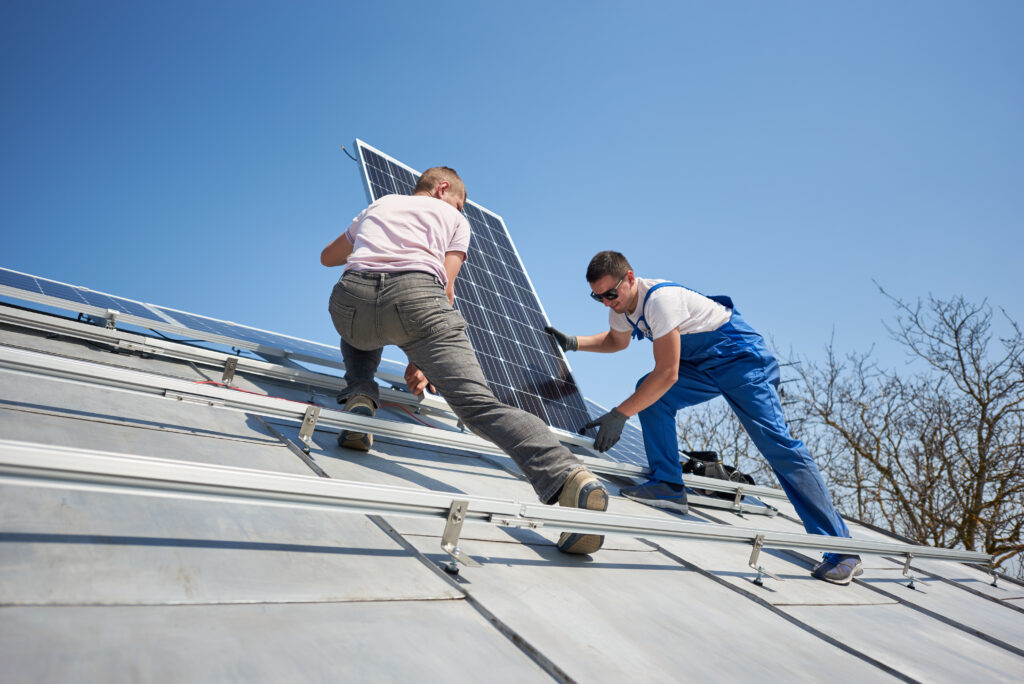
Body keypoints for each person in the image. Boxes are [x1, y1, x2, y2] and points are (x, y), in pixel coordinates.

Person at [320, 167, 608, 555]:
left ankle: (360, 397)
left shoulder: (380, 204)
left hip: (350, 303)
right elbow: (445, 287)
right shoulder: (455, 219)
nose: (459, 208)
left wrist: (370, 241)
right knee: (478, 406)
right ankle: (570, 478)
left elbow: (328, 258)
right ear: (443, 189)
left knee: (359, 312)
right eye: (458, 200)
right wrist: (424, 354)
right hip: (419, 300)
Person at [545, 250, 862, 583]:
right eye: (598, 298)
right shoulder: (622, 308)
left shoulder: (659, 301)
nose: (608, 302)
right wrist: (573, 342)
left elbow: (667, 373)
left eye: (611, 294)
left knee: (777, 446)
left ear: (630, 278)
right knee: (650, 397)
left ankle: (841, 548)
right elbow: (615, 341)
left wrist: (619, 415)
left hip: (741, 360)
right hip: (704, 367)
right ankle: (668, 485)